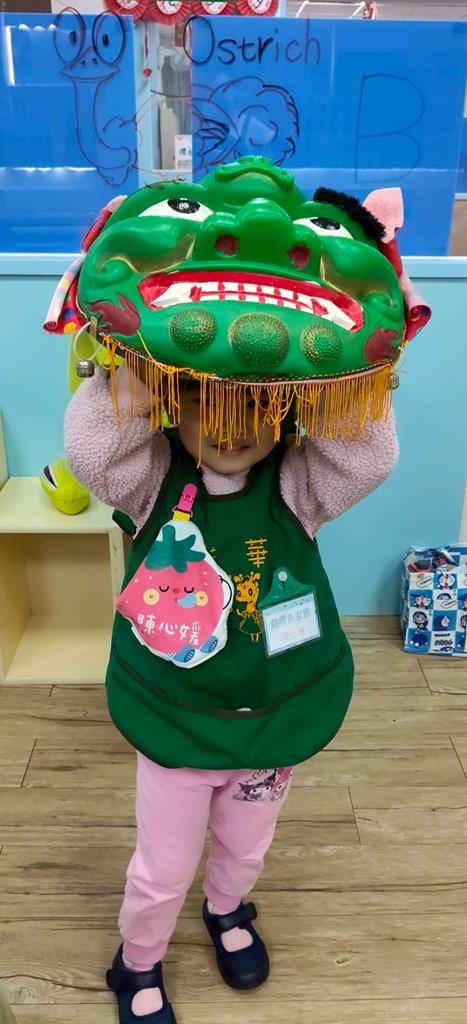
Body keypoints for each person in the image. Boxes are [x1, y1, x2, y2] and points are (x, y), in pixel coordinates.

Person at [65, 364, 398, 1023]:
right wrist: (129, 377)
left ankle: (224, 907)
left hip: (271, 720)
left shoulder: (298, 484)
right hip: (176, 722)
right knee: (163, 866)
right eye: (202, 400)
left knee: (247, 844)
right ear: (169, 401)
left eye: (256, 405)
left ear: (288, 409)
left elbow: (368, 457)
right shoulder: (151, 479)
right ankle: (138, 958)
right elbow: (92, 452)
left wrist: (352, 378)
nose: (230, 424)